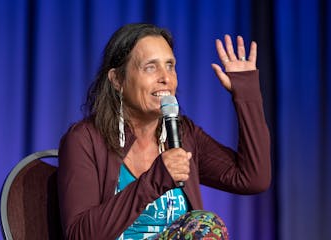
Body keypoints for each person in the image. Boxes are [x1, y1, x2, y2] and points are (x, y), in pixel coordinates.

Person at [57, 23, 271, 239]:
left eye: (170, 66)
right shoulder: (85, 140)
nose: (166, 78)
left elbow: (252, 178)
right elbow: (79, 234)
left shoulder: (183, 135)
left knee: (204, 225)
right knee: (204, 224)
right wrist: (155, 179)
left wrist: (246, 92)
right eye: (150, 67)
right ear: (117, 80)